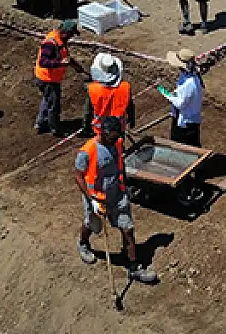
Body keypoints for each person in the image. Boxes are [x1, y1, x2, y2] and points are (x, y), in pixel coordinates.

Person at [74, 116, 159, 284]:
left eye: (117, 137)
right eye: (112, 138)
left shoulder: (117, 143)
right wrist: (92, 200)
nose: (116, 141)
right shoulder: (88, 151)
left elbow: (120, 165)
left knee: (128, 230)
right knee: (92, 225)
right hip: (97, 199)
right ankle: (83, 243)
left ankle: (134, 267)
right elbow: (78, 177)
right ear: (103, 134)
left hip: (118, 196)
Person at [34, 20, 85, 134]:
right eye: (71, 34)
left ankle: (40, 123)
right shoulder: (50, 43)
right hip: (47, 79)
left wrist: (76, 67)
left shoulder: (61, 40)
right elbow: (43, 61)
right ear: (65, 33)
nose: (71, 37)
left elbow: (65, 57)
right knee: (53, 104)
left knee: (48, 100)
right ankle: (55, 128)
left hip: (48, 78)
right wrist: (60, 63)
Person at [82, 53, 135, 137]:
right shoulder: (125, 87)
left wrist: (86, 127)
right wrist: (132, 120)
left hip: (100, 129)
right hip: (119, 127)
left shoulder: (93, 89)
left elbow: (88, 112)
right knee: (118, 147)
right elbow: (130, 107)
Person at [161, 48, 203, 146]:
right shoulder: (190, 76)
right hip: (188, 118)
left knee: (182, 145)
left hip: (186, 122)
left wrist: (167, 95)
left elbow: (180, 104)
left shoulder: (189, 83)